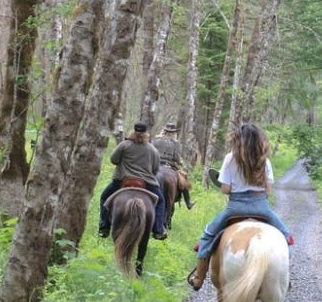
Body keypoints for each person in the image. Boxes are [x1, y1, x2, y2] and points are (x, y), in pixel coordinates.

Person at [187, 123, 294, 291]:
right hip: (261, 207)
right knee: (285, 237)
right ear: (260, 141)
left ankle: (199, 277)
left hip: (235, 209)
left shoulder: (230, 158)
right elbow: (268, 189)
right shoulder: (264, 161)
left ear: (239, 140)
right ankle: (284, 278)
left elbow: (225, 189)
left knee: (207, 235)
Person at [99, 122, 168, 240]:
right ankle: (158, 230)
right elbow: (155, 170)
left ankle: (104, 227)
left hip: (122, 180)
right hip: (146, 183)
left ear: (133, 131)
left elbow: (114, 160)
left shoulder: (124, 145)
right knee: (161, 201)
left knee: (105, 197)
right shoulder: (152, 150)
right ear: (146, 134)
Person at [152, 122, 195, 210]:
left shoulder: (156, 139)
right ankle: (188, 202)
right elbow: (176, 157)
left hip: (155, 164)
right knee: (184, 179)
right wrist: (180, 162)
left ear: (164, 130)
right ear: (173, 132)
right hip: (170, 165)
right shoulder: (175, 143)